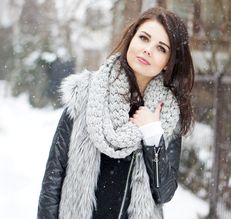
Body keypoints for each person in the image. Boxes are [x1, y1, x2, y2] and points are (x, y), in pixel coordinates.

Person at [38, 6, 194, 219]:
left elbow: (164, 192)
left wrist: (152, 135)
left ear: (169, 63)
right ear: (131, 39)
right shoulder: (86, 93)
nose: (148, 49)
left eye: (161, 48)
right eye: (144, 38)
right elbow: (53, 177)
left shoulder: (167, 115)